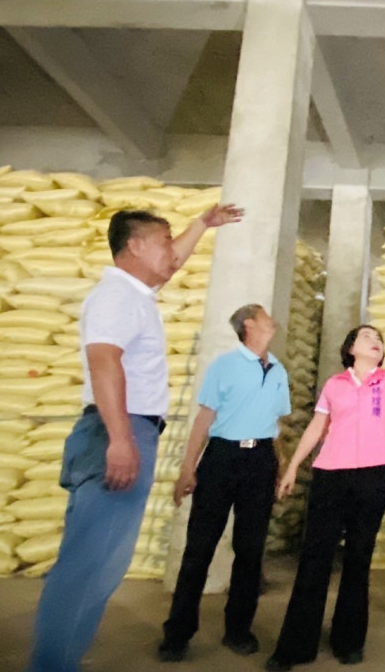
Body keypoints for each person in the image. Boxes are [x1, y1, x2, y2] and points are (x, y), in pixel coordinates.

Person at [29, 204, 242, 671]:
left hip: (124, 428)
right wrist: (121, 439)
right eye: (164, 242)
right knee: (89, 566)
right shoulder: (116, 298)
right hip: (118, 429)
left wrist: (201, 227)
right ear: (136, 245)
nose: (173, 253)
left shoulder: (134, 294)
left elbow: (172, 265)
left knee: (98, 564)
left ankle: (59, 659)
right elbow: (104, 361)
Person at [265, 290, 385, 671]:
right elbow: (316, 427)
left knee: (358, 558)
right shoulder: (334, 384)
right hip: (331, 475)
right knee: (315, 559)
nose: (375, 341)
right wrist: (292, 468)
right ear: (351, 349)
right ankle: (294, 647)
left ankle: (349, 640)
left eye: (379, 339)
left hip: (374, 476)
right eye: (367, 337)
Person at [158, 304, 291, 662]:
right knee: (199, 548)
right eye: (266, 316)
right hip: (221, 459)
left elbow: (274, 423)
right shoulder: (225, 366)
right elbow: (204, 418)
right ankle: (178, 633)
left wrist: (280, 465)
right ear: (249, 325)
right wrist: (188, 468)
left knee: (250, 550)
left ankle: (238, 629)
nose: (272, 321)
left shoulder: (278, 370)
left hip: (260, 460)